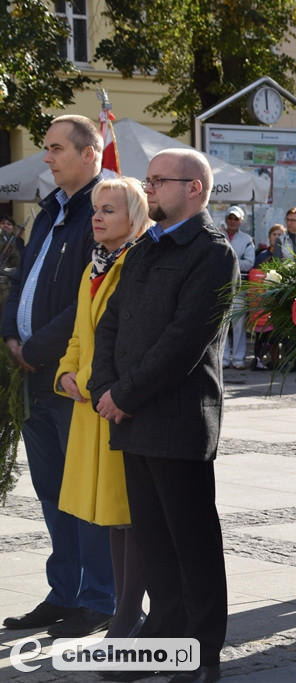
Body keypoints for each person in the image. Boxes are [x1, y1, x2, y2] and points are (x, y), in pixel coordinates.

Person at [89, 148, 238, 683]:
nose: (147, 189)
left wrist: (124, 393)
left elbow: (184, 342)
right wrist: (104, 386)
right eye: (148, 181)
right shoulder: (147, 246)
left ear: (194, 188)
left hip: (177, 418)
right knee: (153, 541)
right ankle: (163, 638)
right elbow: (111, 323)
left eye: (158, 181)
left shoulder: (213, 253)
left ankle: (203, 653)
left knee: (191, 543)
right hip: (131, 418)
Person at [2, 115, 116, 638]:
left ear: (90, 153)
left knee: (82, 491)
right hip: (33, 371)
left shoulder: (104, 209)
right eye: (45, 147)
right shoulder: (50, 211)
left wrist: (37, 347)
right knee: (51, 489)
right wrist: (9, 334)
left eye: (54, 148)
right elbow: (22, 277)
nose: (46, 157)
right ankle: (65, 591)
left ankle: (100, 597)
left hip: (68, 375)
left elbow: (88, 298)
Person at [55, 177, 150, 640]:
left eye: (109, 210)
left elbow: (134, 340)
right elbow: (79, 334)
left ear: (135, 218)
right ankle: (122, 610)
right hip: (88, 405)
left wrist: (96, 381)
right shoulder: (93, 266)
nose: (96, 216)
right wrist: (66, 372)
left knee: (130, 513)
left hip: (116, 403)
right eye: (96, 208)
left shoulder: (137, 262)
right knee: (111, 515)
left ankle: (131, 613)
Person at [221, 205, 255, 370]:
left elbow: (249, 263)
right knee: (221, 324)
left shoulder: (247, 239)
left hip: (239, 286)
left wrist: (229, 262)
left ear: (241, 221)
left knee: (239, 324)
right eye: (230, 218)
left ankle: (239, 359)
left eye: (236, 218)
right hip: (220, 286)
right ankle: (223, 358)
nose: (232, 221)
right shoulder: (218, 236)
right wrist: (236, 262)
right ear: (226, 219)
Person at [0, 214, 25, 320]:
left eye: (9, 224)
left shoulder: (18, 241)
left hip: (8, 282)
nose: (6, 226)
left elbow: (19, 262)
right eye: (3, 223)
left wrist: (12, 249)